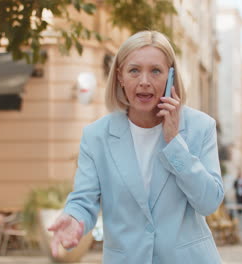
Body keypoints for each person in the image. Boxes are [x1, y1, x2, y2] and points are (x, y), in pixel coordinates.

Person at [47, 30, 225, 264]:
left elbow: (209, 202)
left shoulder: (200, 127)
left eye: (155, 71)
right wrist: (73, 217)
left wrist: (175, 143)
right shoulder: (96, 136)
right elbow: (83, 199)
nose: (144, 81)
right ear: (120, 76)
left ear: (171, 76)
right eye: (134, 70)